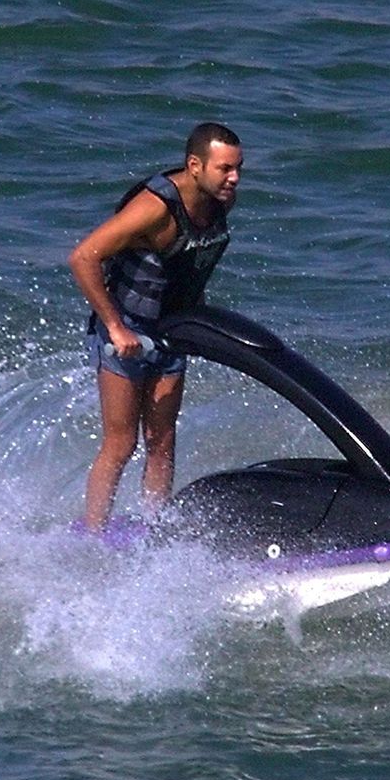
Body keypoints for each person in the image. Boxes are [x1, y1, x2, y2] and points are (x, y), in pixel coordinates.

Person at [69, 122, 243, 529]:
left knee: (162, 441)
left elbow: (191, 262)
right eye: (225, 169)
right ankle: (92, 535)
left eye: (238, 168)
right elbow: (83, 258)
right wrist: (115, 327)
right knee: (121, 442)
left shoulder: (220, 202)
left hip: (171, 329)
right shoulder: (154, 207)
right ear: (195, 165)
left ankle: (155, 531)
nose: (234, 178)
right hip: (126, 328)